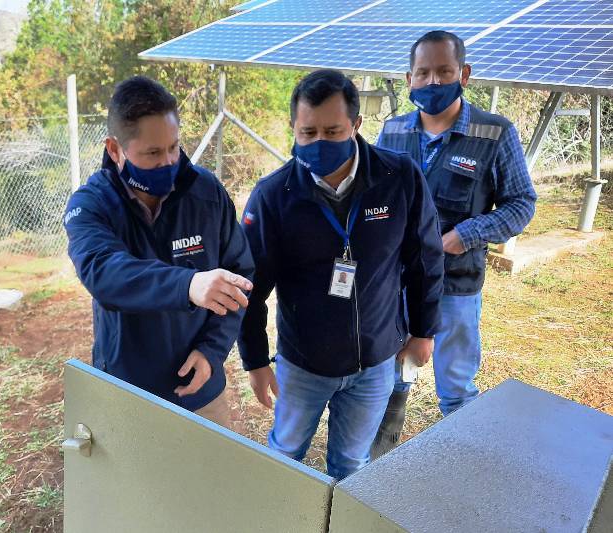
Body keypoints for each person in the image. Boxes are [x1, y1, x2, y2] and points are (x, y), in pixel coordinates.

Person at [238, 69, 444, 479]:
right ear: (294, 128)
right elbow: (250, 287)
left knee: (351, 466)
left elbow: (426, 260)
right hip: (302, 364)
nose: (319, 143)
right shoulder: (274, 196)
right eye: (307, 132)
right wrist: (257, 361)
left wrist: (423, 332)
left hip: (376, 361)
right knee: (284, 457)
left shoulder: (398, 177)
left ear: (356, 125)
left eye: (332, 131)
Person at [371, 31, 537, 458]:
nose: (432, 81)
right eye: (422, 73)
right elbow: (372, 198)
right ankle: (380, 457)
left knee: (457, 386)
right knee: (392, 374)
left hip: (455, 286)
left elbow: (521, 204)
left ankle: (462, 462)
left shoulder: (494, 134)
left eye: (443, 71)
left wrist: (465, 236)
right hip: (397, 284)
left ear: (463, 74)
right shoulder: (392, 132)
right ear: (409, 79)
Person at [63, 76, 254, 427]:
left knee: (211, 479)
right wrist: (187, 285)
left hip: (200, 390)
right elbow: (103, 272)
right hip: (128, 391)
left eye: (173, 147)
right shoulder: (91, 205)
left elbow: (239, 279)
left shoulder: (207, 193)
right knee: (133, 481)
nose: (168, 162)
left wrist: (212, 351)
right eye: (152, 153)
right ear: (115, 149)